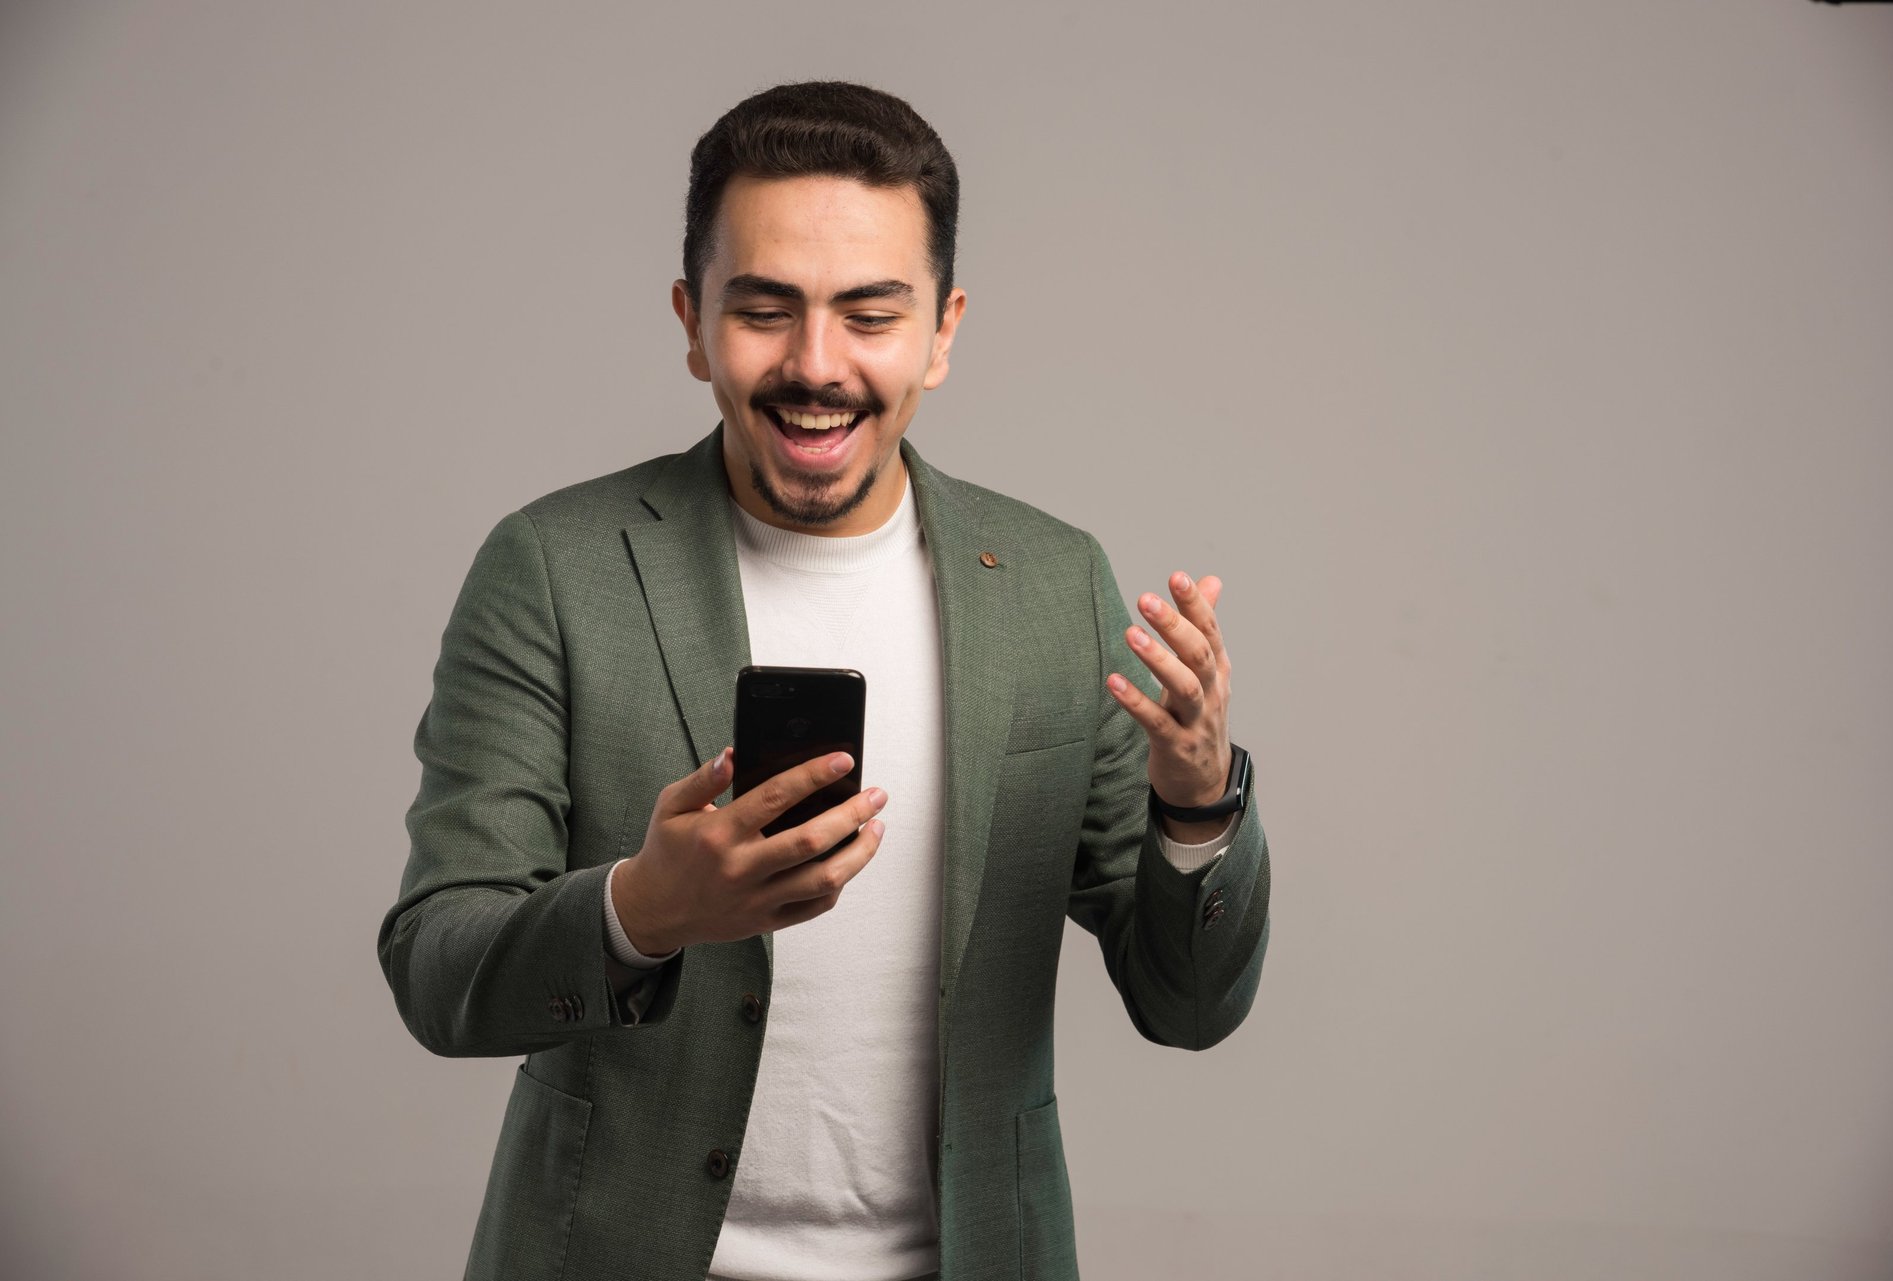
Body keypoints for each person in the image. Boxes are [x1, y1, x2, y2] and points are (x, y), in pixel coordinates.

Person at [377, 80, 1271, 1281]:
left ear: (942, 332)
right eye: (764, 310)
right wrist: (643, 911)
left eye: (869, 313)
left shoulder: (1057, 585)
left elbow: (1190, 1003)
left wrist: (1199, 801)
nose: (815, 365)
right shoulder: (553, 570)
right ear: (693, 322)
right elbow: (441, 971)